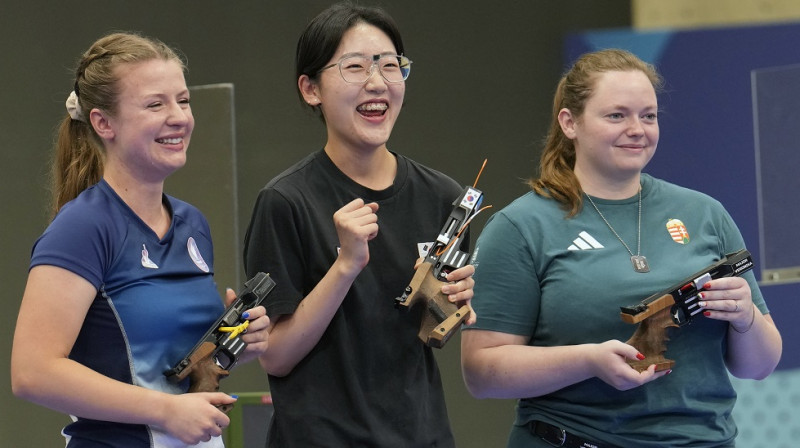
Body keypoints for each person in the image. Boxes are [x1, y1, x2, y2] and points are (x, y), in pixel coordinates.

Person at [460, 48, 782, 447]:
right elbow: (481, 372)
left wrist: (745, 315)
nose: (637, 129)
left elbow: (760, 366)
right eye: (617, 115)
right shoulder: (521, 226)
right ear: (569, 123)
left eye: (648, 115)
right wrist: (587, 361)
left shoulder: (705, 214)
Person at [10, 32, 270, 448]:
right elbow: (32, 373)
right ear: (103, 123)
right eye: (155, 104)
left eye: (183, 101)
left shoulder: (193, 223)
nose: (179, 117)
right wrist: (165, 410)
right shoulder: (83, 226)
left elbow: (168, 366)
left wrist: (238, 342)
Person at [242, 2, 476, 446]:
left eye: (391, 66)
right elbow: (275, 356)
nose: (377, 83)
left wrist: (456, 304)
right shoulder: (286, 201)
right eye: (355, 67)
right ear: (311, 89)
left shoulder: (445, 197)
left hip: (422, 435)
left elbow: (433, 331)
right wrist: (346, 265)